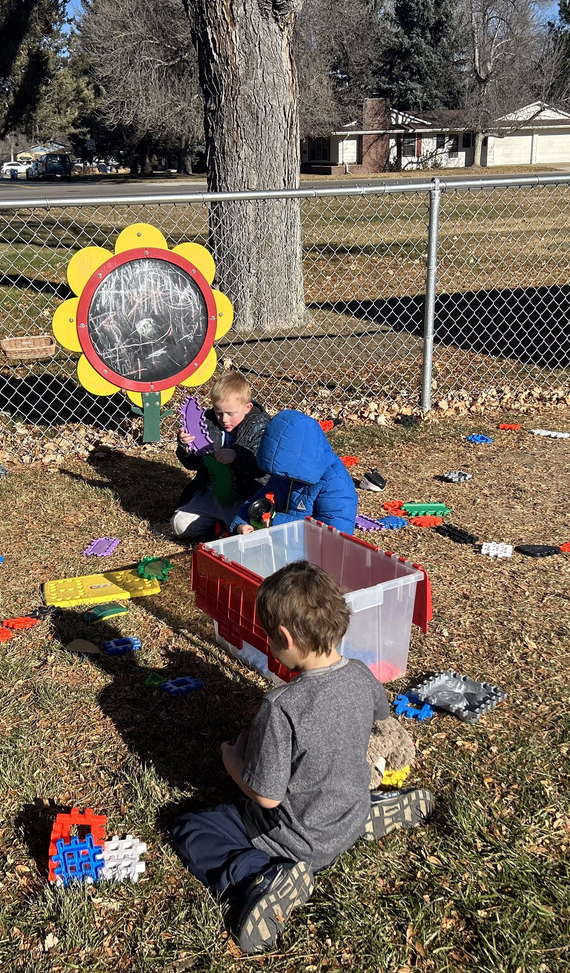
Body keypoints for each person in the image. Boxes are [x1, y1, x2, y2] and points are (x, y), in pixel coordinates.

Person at [171, 562, 434, 954]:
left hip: (296, 840)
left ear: (283, 638)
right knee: (343, 782)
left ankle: (263, 876)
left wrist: (233, 760)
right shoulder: (363, 675)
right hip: (346, 811)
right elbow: (381, 724)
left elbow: (267, 797)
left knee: (192, 830)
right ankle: (368, 811)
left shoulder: (282, 707)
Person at [171, 371, 270, 539]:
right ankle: (222, 527)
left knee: (251, 532)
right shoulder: (208, 422)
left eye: (230, 413)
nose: (224, 419)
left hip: (245, 495)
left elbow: (261, 464)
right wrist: (185, 447)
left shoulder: (259, 426)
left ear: (247, 408)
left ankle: (232, 526)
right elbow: (194, 464)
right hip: (213, 494)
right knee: (178, 525)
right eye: (218, 412)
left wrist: (237, 456)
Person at [230, 410, 357, 535]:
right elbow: (258, 501)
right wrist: (240, 524)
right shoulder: (283, 474)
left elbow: (336, 533)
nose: (278, 477)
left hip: (312, 550)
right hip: (282, 542)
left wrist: (276, 521)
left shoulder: (334, 482)